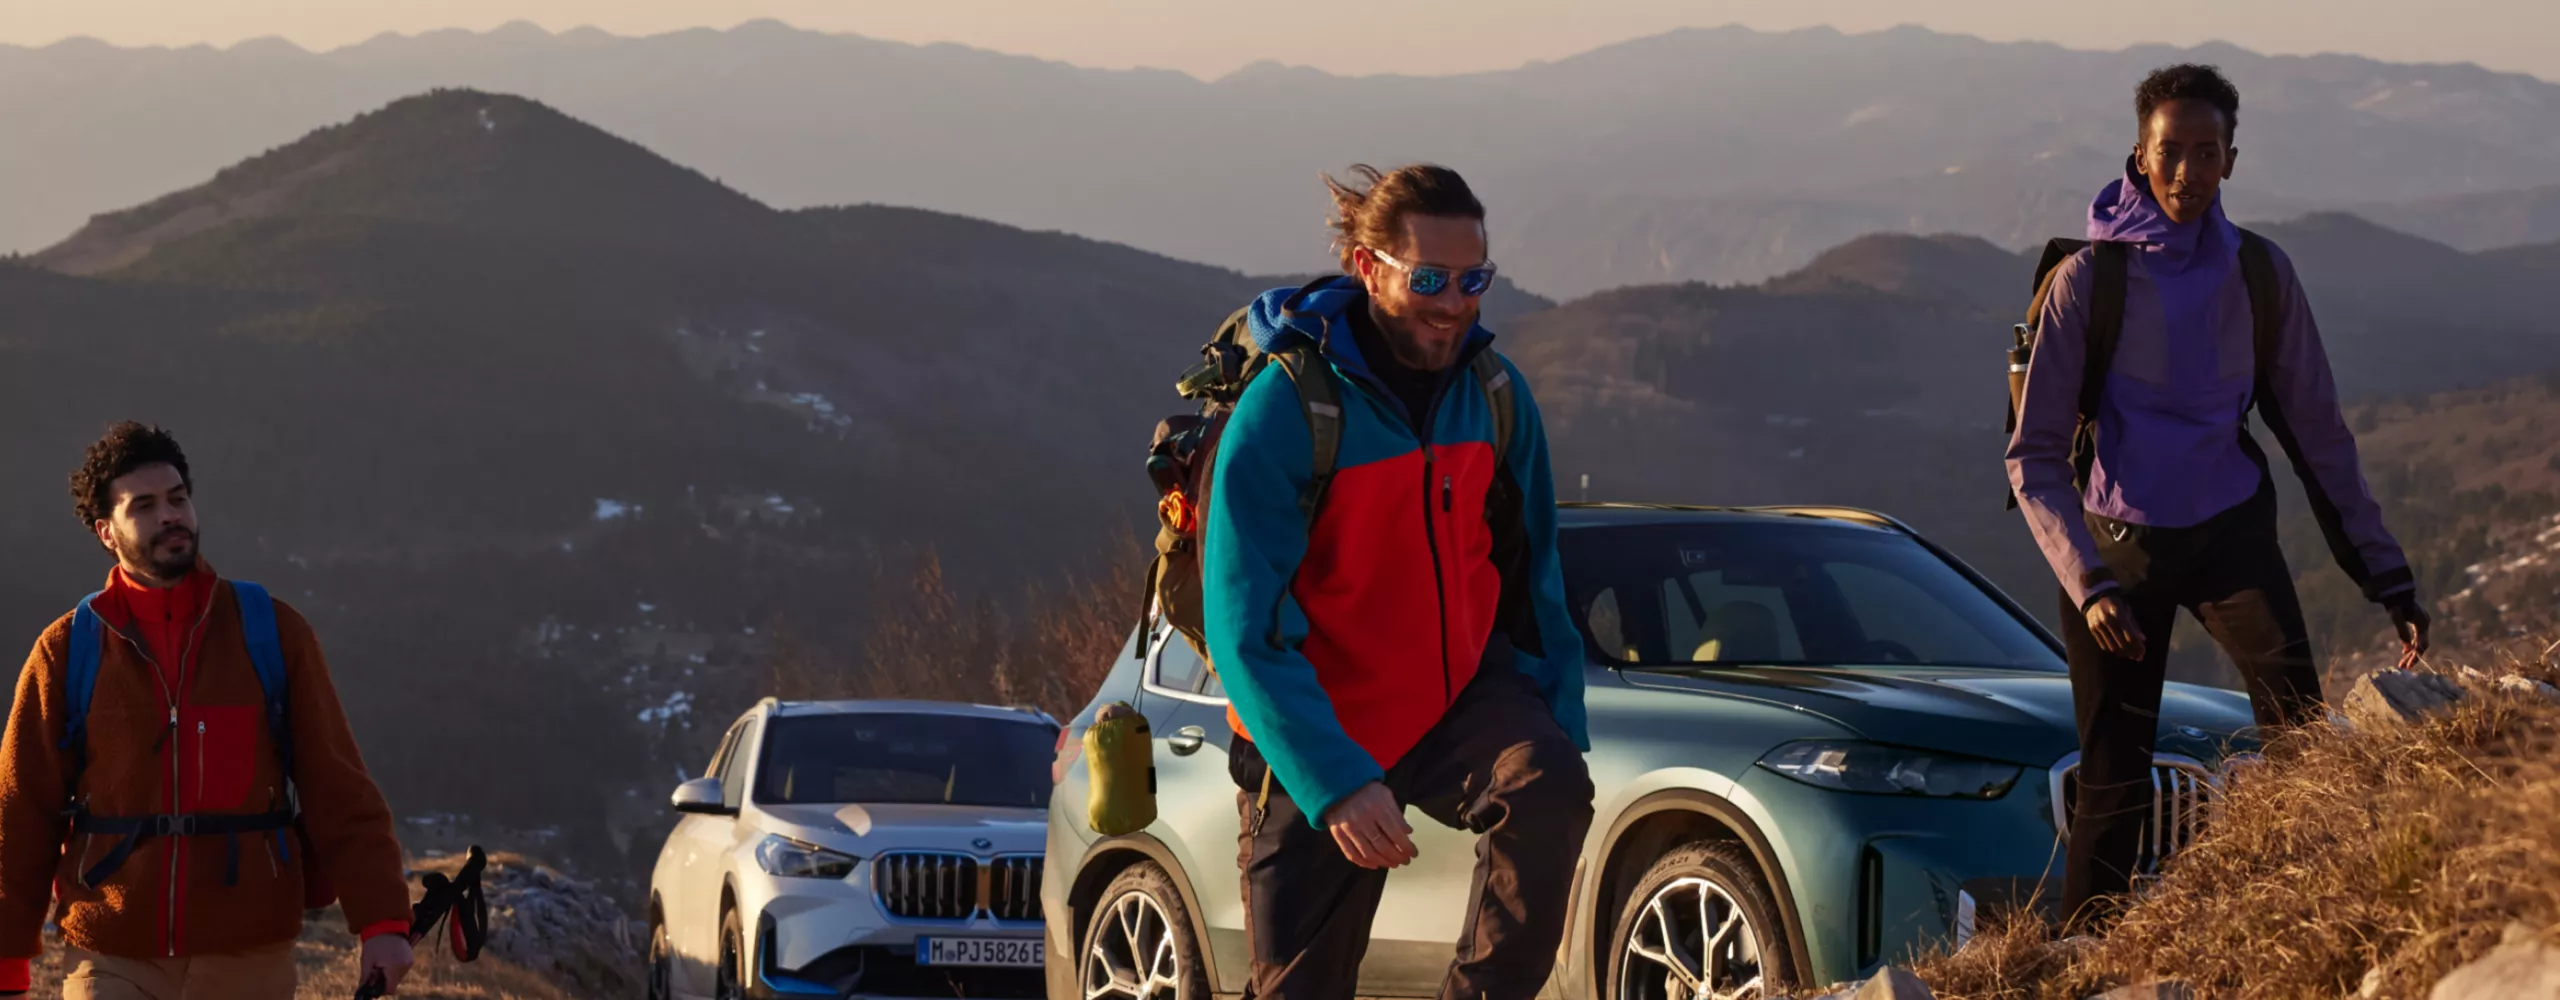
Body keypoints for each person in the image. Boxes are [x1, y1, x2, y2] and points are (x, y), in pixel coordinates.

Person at [2005, 65, 2432, 927]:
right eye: (2171, 152)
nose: (2188, 173)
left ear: (2232, 161)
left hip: (2229, 533)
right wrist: (2088, 585)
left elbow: (2321, 437)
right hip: (2115, 549)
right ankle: (2086, 961)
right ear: (2139, 153)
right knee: (2115, 779)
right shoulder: (2089, 282)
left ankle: (2325, 921)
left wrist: (2388, 579)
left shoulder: (2261, 276)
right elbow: (2035, 457)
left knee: (2302, 741)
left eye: (2208, 153)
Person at [1202, 163, 1592, 1000]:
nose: (1454, 302)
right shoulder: (1287, 409)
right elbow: (1245, 631)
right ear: (1368, 267)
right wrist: (1336, 781)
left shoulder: (1494, 397)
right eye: (1429, 279)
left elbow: (1533, 580)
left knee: (1547, 783)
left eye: (1473, 279)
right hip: (1316, 724)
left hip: (1456, 703)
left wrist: (1560, 725)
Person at [0, 423, 415, 998]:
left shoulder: (271, 632)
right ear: (106, 532)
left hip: (249, 953)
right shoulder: (67, 649)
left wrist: (385, 923)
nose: (171, 515)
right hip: (110, 953)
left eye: (178, 498)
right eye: (144, 505)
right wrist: (7, 961)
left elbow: (337, 786)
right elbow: (20, 815)